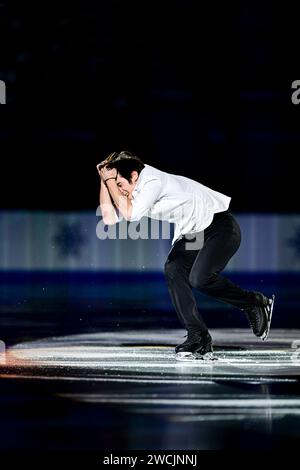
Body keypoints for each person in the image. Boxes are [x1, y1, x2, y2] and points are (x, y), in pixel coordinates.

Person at [96, 151, 274, 361]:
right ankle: (198, 336)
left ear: (134, 176)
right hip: (193, 234)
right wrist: (104, 180)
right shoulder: (133, 191)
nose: (118, 191)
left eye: (119, 184)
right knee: (173, 268)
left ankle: (253, 302)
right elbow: (108, 218)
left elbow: (131, 215)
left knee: (200, 278)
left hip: (220, 226)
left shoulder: (152, 180)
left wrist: (109, 178)